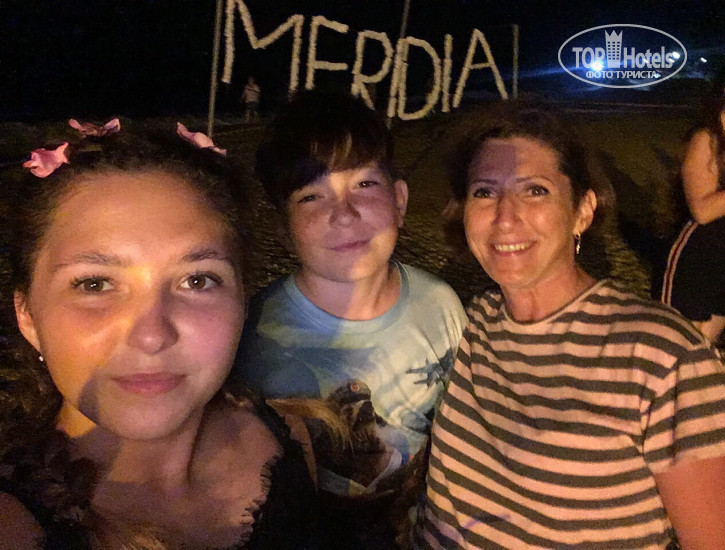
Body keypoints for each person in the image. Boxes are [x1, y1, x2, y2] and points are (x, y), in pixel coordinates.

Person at [414, 103, 725, 549]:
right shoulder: (471, 326)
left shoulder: (663, 356)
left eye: (535, 190)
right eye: (484, 192)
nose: (505, 216)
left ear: (583, 210)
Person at [0, 122, 322, 548]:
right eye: (95, 284)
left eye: (197, 280)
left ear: (242, 301)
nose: (151, 336)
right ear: (27, 316)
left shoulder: (290, 437)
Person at [230, 90, 466, 545]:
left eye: (364, 184)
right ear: (283, 229)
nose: (343, 213)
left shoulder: (440, 306)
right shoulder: (253, 336)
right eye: (311, 196)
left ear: (400, 199)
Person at [662, 63, 725, 346]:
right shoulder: (706, 139)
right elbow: (702, 211)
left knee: (703, 351)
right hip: (699, 259)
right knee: (676, 349)